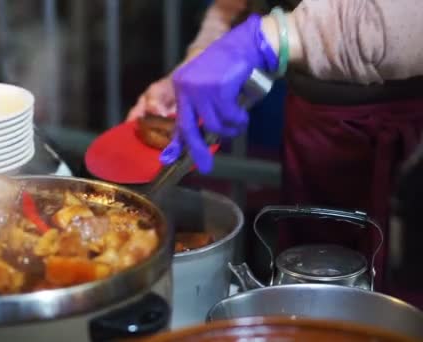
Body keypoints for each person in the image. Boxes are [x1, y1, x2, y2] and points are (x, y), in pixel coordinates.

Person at [127, 0, 423, 307]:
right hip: (319, 128)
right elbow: (238, 6)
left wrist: (269, 37)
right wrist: (204, 59)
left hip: (406, 138)